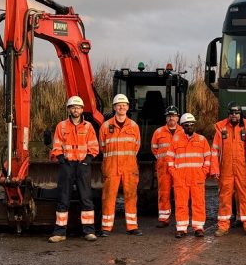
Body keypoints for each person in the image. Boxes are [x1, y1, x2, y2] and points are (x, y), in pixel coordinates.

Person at [48, 95, 100, 243]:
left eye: (78, 107)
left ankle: (89, 231)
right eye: (72, 107)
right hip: (67, 166)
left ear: (82, 110)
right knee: (63, 199)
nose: (75, 110)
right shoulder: (61, 126)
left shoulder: (88, 127)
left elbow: (94, 146)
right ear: (69, 109)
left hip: (83, 165)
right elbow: (57, 145)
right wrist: (61, 159)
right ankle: (59, 232)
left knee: (86, 199)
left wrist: (87, 160)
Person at [99, 94, 142, 236]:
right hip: (111, 167)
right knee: (108, 196)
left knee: (131, 196)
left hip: (129, 167)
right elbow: (102, 147)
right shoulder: (105, 126)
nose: (121, 107)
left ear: (128, 107)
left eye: (124, 105)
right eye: (119, 105)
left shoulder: (134, 126)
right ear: (114, 107)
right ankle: (106, 228)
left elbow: (136, 146)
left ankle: (132, 227)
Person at [211, 102, 246, 237]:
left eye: (236, 113)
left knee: (245, 198)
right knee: (224, 198)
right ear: (228, 114)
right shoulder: (221, 128)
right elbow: (215, 151)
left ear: (240, 114)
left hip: (242, 169)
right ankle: (223, 226)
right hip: (226, 169)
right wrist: (215, 169)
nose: (234, 115)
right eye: (232, 113)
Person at [168, 113, 211, 238]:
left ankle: (198, 228)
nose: (190, 127)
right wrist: (174, 173)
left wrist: (204, 172)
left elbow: (208, 157)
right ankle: (181, 228)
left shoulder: (202, 140)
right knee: (181, 203)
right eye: (187, 125)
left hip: (197, 177)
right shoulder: (176, 140)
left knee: (199, 203)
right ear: (182, 126)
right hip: (180, 177)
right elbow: (169, 159)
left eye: (192, 124)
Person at [151, 105, 180, 228]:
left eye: (173, 116)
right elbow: (154, 148)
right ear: (166, 118)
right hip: (163, 168)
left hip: (179, 168)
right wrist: (163, 161)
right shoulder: (158, 132)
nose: (171, 118)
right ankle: (164, 219)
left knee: (180, 194)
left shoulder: (183, 131)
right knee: (164, 193)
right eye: (169, 116)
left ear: (178, 118)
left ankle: (181, 219)